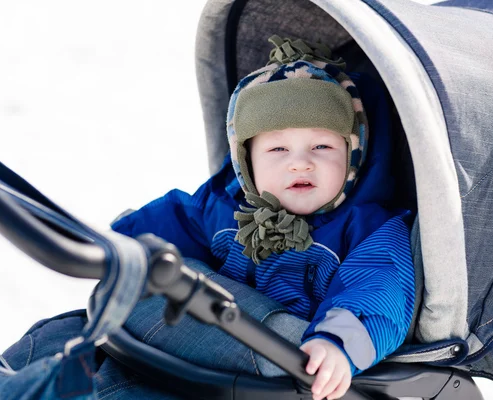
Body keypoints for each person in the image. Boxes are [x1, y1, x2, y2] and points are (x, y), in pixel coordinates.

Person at [111, 36, 416, 400]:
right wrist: (119, 244)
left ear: (354, 155)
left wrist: (336, 344)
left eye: (322, 146)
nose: (300, 162)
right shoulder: (225, 207)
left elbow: (379, 292)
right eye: (277, 148)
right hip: (201, 359)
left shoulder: (369, 230)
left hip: (286, 373)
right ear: (246, 161)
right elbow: (168, 224)